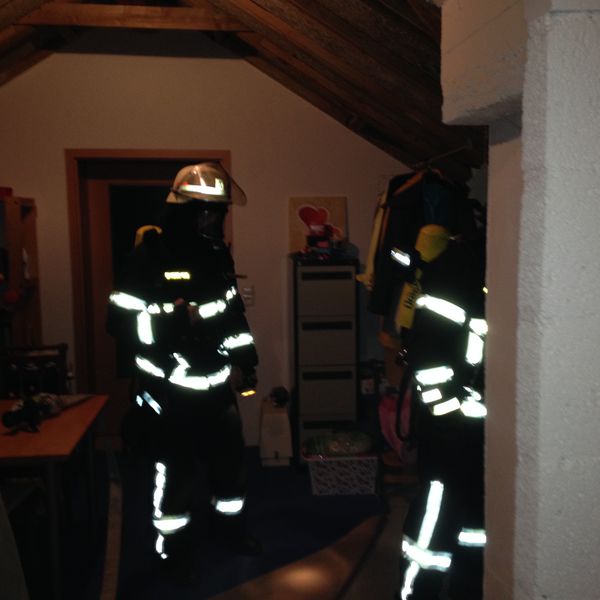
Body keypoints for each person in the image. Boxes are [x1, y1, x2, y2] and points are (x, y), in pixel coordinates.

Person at [106, 162, 260, 578]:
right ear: (183, 211)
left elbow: (230, 315)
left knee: (230, 467)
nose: (213, 221)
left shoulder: (217, 256)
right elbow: (118, 322)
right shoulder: (148, 256)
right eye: (205, 212)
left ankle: (229, 530)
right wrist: (171, 321)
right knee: (175, 474)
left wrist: (246, 360)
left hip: (216, 387)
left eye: (218, 213)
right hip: (168, 390)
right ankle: (173, 551)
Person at [392, 209, 487, 599]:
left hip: (481, 430)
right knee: (436, 514)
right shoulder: (456, 276)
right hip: (450, 429)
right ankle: (417, 593)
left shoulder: (490, 274)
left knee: (477, 521)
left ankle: (471, 587)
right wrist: (448, 413)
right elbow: (428, 359)